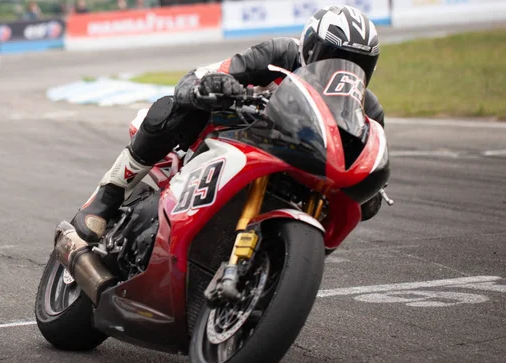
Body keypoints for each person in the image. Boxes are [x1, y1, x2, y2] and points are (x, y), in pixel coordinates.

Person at [73, 5, 386, 242]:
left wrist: (369, 185)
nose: (344, 71)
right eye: (335, 56)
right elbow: (193, 79)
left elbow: (368, 194)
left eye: (358, 64)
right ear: (309, 47)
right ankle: (109, 194)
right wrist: (213, 87)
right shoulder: (279, 54)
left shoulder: (366, 108)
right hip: (239, 134)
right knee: (174, 107)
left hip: (296, 168)